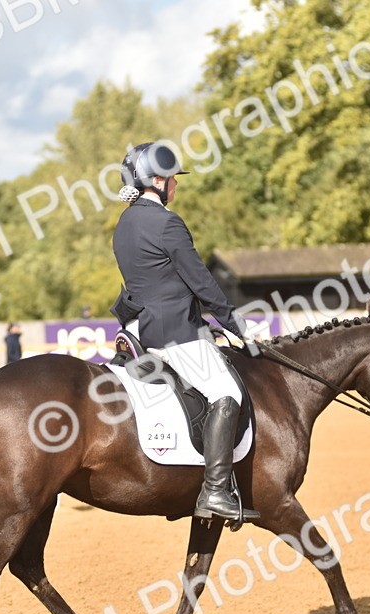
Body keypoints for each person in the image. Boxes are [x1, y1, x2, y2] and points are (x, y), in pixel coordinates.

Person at [111, 141, 257, 523]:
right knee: (225, 392)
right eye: (173, 178)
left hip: (137, 328)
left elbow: (151, 282)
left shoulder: (124, 224)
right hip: (173, 332)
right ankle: (216, 491)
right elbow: (201, 283)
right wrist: (237, 326)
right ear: (156, 180)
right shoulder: (166, 222)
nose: (176, 184)